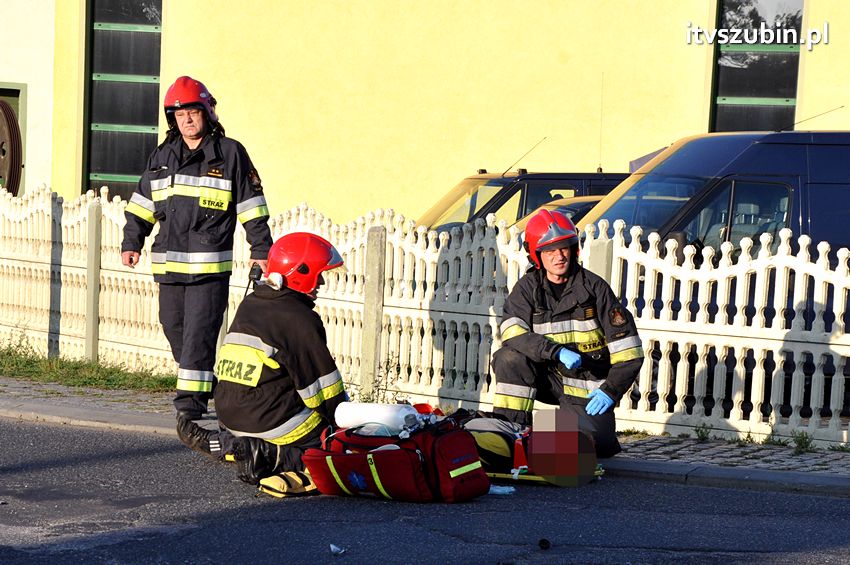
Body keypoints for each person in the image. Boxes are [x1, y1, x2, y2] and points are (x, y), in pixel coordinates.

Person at [121, 76, 273, 433]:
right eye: (179, 114)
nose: (187, 120)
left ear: (207, 113)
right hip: (169, 266)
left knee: (198, 336)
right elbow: (142, 205)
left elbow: (252, 206)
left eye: (193, 112)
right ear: (171, 119)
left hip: (209, 269)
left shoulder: (231, 153)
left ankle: (189, 407)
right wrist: (132, 242)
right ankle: (212, 390)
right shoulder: (162, 157)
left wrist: (261, 249)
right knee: (174, 328)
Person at [190, 232, 348, 491]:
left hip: (229, 417)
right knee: (331, 449)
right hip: (268, 421)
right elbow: (322, 389)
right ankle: (269, 455)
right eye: (317, 274)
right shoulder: (299, 318)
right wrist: (342, 426)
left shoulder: (252, 303)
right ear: (300, 272)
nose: (320, 283)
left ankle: (233, 445)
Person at [491, 209, 644, 458]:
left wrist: (610, 391)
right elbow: (512, 331)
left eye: (564, 248)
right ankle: (511, 433)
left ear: (574, 250)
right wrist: (554, 351)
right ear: (537, 255)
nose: (559, 256)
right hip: (544, 376)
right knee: (508, 357)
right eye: (550, 250)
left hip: (584, 385)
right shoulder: (527, 288)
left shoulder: (596, 289)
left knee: (597, 446)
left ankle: (543, 433)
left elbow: (629, 352)